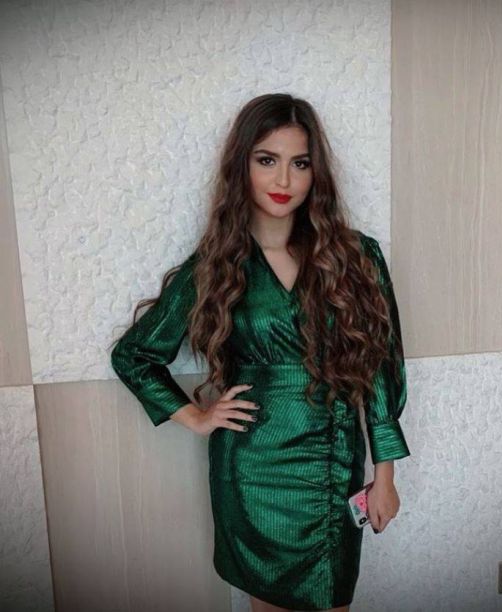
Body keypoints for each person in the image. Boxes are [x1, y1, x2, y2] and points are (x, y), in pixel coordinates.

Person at [110, 93, 410, 612]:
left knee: (332, 598)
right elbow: (134, 356)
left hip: (332, 463)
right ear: (242, 166)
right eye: (267, 160)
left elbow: (382, 370)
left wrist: (385, 475)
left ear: (316, 173)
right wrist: (197, 417)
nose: (284, 180)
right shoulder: (216, 265)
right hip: (251, 471)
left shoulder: (357, 256)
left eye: (300, 163)